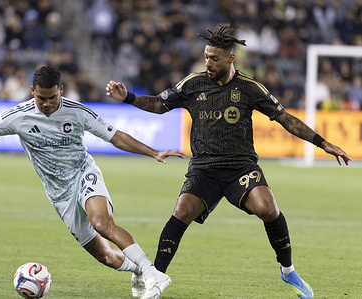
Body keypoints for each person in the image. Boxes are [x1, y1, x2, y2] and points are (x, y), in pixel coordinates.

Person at [106, 23, 351, 299]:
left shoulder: (249, 88)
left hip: (240, 165)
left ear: (231, 58)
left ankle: (287, 269)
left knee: (268, 209)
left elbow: (286, 120)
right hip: (204, 167)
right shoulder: (193, 83)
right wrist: (126, 97)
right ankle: (155, 279)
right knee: (181, 212)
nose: (208, 63)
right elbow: (159, 105)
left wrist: (324, 143)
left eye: (214, 58)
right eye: (206, 57)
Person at [0, 65, 186, 299]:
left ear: (61, 90)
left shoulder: (78, 112)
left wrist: (153, 151)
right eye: (41, 98)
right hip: (60, 194)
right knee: (104, 256)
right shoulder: (17, 116)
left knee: (102, 223)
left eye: (52, 97)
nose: (46, 103)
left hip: (83, 175)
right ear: (33, 90)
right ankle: (139, 270)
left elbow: (115, 136)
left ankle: (153, 274)